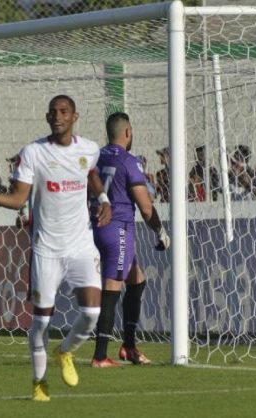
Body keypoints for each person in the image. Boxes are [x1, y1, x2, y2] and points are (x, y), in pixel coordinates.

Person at [0, 95, 112, 402]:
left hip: (81, 244)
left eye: (64, 112)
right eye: (53, 112)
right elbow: (17, 199)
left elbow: (90, 173)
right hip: (46, 249)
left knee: (92, 312)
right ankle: (39, 382)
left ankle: (65, 352)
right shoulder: (33, 153)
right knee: (41, 321)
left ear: (74, 117)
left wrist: (104, 199)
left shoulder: (89, 149)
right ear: (47, 117)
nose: (58, 117)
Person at [89, 112, 170, 368]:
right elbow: (146, 207)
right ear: (127, 132)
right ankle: (100, 355)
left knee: (137, 280)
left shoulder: (95, 157)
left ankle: (129, 346)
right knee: (112, 287)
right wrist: (160, 231)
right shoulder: (129, 161)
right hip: (117, 228)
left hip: (93, 225)